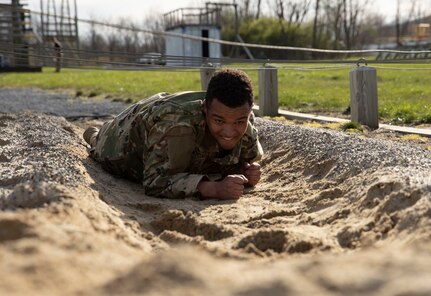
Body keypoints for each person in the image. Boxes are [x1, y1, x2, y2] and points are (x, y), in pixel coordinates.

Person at [83, 68, 263, 199]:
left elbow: (244, 159)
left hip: (157, 120)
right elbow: (155, 181)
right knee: (98, 140)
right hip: (121, 141)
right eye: (219, 121)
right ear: (205, 109)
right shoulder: (177, 125)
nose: (230, 131)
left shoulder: (243, 117)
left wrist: (246, 170)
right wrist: (213, 189)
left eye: (240, 121)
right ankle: (93, 134)